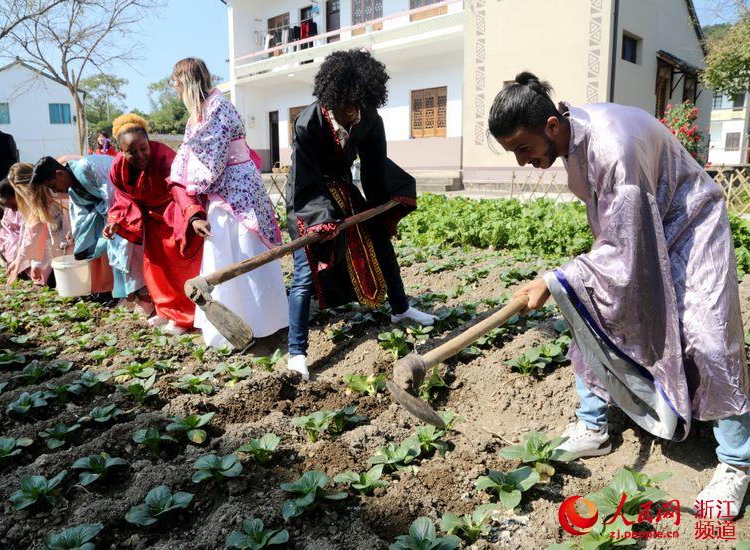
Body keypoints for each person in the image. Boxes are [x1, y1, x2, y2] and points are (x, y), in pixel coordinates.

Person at [487, 71, 750, 517]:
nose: (522, 162)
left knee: (707, 332)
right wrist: (572, 282)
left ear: (551, 126)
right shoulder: (572, 133)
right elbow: (622, 233)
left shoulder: (613, 151)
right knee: (594, 309)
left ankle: (736, 463)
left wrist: (554, 280)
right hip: (639, 220)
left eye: (522, 149)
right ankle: (593, 424)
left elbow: (627, 248)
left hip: (689, 224)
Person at [285, 49, 436, 380]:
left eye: (359, 103)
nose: (353, 111)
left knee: (381, 242)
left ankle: (400, 309)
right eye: (347, 104)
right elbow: (305, 179)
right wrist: (320, 220)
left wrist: (389, 197)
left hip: (344, 191)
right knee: (306, 272)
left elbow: (374, 165)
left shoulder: (368, 118)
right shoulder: (308, 122)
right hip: (307, 197)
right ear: (333, 95)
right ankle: (297, 352)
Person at [169, 57, 288, 349]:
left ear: (187, 81)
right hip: (223, 192)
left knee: (246, 249)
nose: (173, 86)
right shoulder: (199, 113)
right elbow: (188, 152)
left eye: (176, 80)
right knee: (224, 252)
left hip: (237, 192)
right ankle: (231, 327)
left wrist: (188, 182)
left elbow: (209, 157)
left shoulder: (217, 107)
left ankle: (265, 324)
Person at [106, 113, 207, 332]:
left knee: (179, 266)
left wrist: (192, 215)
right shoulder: (117, 168)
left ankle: (186, 317)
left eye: (144, 147)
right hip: (149, 219)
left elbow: (178, 187)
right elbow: (123, 197)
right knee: (156, 268)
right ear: (121, 151)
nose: (141, 155)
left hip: (174, 211)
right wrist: (114, 220)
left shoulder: (164, 156)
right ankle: (165, 310)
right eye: (132, 152)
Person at [29, 155, 145, 304]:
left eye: (53, 186)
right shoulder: (74, 191)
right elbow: (80, 218)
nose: (56, 191)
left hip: (127, 208)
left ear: (59, 173)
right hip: (112, 218)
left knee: (131, 254)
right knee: (116, 255)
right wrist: (79, 238)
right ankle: (134, 299)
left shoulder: (86, 168)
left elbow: (113, 194)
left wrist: (113, 219)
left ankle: (143, 297)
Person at [5, 162, 72, 286]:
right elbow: (36, 236)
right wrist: (35, 264)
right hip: (65, 245)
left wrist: (21, 262)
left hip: (68, 242)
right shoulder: (45, 195)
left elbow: (33, 236)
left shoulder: (49, 195)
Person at [0, 180, 23, 266]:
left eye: (3, 197)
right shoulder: (8, 211)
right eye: (0, 197)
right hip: (11, 247)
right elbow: (5, 230)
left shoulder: (27, 210)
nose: (1, 201)